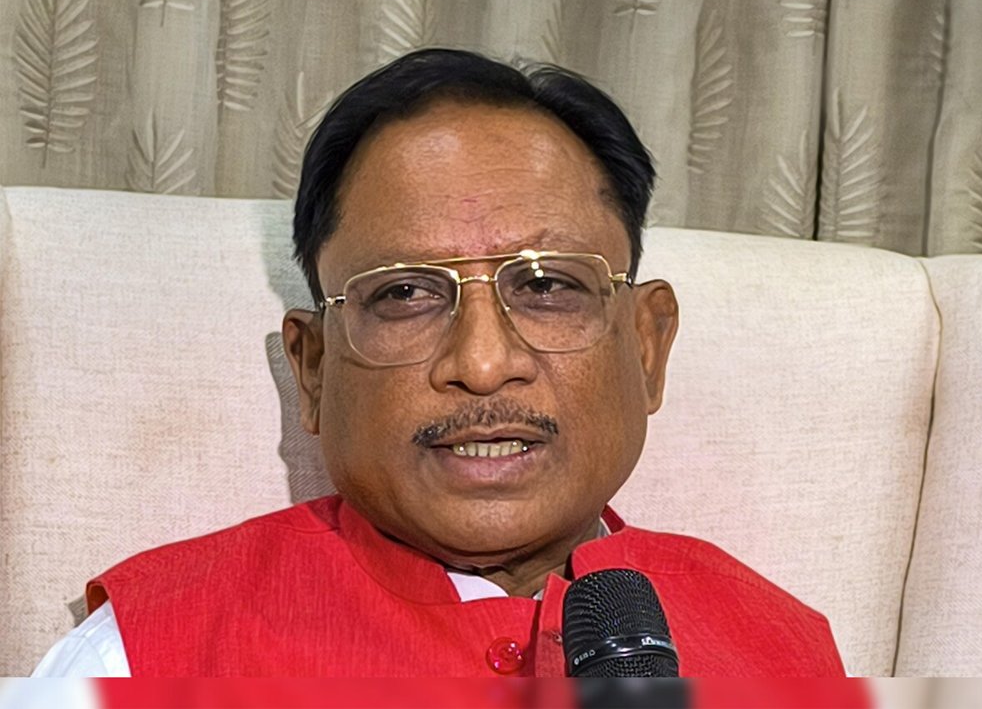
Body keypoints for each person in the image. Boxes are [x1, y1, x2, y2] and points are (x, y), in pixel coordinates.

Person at [33, 48, 847, 677]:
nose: (484, 365)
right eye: (406, 295)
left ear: (645, 347)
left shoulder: (788, 651)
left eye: (547, 286)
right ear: (313, 369)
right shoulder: (145, 654)